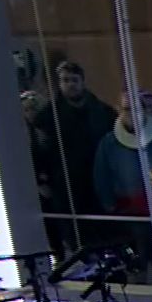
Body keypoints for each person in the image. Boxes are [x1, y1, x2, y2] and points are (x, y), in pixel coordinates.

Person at [33, 61, 117, 224]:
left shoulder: (104, 112)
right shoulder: (46, 117)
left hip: (98, 181)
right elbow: (39, 151)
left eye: (74, 80)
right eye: (65, 80)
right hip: (65, 186)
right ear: (59, 84)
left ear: (82, 82)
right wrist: (42, 181)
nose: (71, 84)